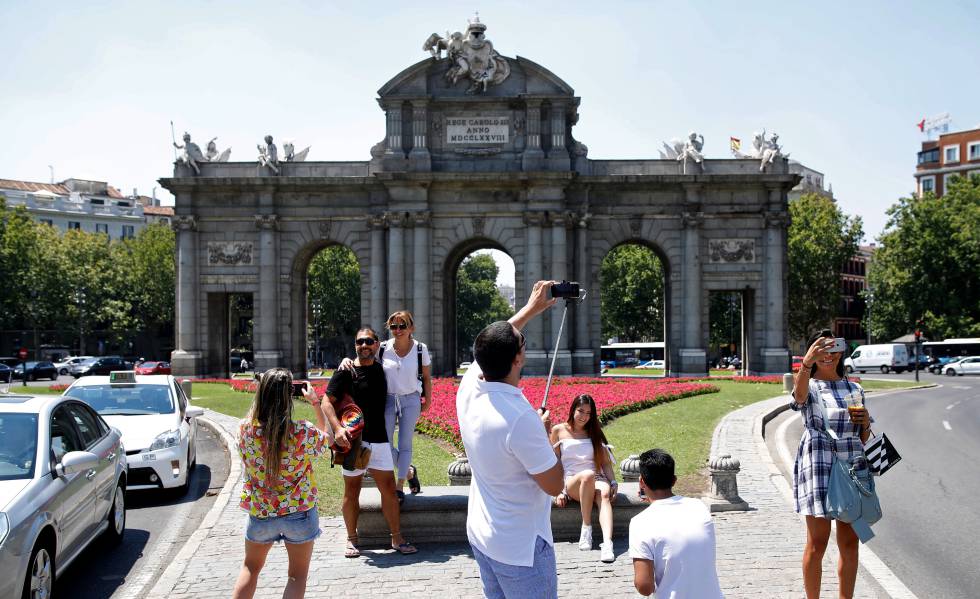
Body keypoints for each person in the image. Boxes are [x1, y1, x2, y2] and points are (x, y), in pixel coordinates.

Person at [456, 280, 565, 599]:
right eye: (522, 343)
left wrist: (530, 309)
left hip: (483, 534)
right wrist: (546, 436)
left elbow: (492, 344)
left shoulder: (469, 388)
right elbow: (554, 485)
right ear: (518, 359)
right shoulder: (521, 419)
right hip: (521, 549)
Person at [232, 368, 335, 599]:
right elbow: (327, 439)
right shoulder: (302, 432)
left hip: (261, 512)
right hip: (299, 512)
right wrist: (315, 402)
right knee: (297, 576)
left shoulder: (245, 430)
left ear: (261, 394)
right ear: (290, 396)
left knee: (250, 568)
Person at [792, 329, 873, 599]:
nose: (829, 354)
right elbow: (798, 399)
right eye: (822, 349)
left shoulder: (855, 389)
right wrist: (806, 363)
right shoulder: (809, 385)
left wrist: (865, 422)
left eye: (834, 347)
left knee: (850, 544)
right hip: (818, 466)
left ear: (842, 351)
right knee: (817, 543)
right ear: (812, 352)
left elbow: (862, 438)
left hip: (850, 466)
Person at [326, 326, 417, 558]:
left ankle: (397, 538)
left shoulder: (382, 368)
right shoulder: (345, 371)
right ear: (355, 345)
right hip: (353, 441)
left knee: (389, 491)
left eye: (368, 341)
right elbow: (327, 402)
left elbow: (405, 350)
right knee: (351, 492)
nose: (364, 346)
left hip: (379, 440)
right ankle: (351, 539)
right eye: (360, 342)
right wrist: (337, 429)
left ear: (377, 344)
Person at [339, 310, 433, 501]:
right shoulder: (382, 348)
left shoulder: (420, 349)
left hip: (411, 399)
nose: (397, 330)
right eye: (393, 326)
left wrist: (428, 401)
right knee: (386, 444)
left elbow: (426, 378)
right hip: (388, 399)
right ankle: (409, 472)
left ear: (411, 328)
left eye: (402, 325)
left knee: (405, 444)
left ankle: (400, 485)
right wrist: (346, 360)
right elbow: (363, 357)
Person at [629, 449, 723, 598]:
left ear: (641, 482)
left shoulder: (640, 523)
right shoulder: (699, 507)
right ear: (674, 480)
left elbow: (644, 587)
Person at [550, 394, 619, 562]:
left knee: (603, 494)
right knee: (587, 475)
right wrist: (559, 491)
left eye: (589, 413)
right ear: (573, 409)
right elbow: (555, 463)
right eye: (581, 411)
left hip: (597, 478)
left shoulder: (594, 431)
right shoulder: (559, 430)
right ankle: (586, 528)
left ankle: (607, 544)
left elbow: (605, 463)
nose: (584, 416)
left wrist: (613, 481)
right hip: (572, 480)